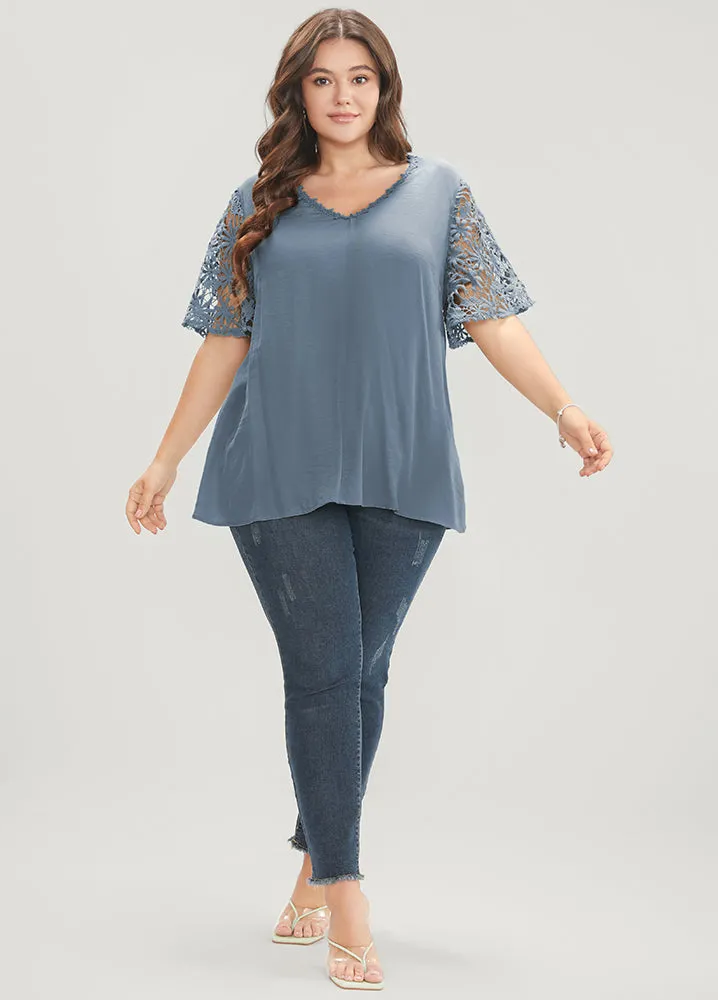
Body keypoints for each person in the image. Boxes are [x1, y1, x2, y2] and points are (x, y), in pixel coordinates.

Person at [125, 8, 614, 990]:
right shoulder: (258, 202)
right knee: (324, 672)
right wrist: (166, 459)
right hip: (277, 463)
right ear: (296, 93)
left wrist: (563, 407)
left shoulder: (441, 194)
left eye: (360, 77)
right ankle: (346, 892)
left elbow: (492, 318)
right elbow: (224, 338)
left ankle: (314, 856)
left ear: (385, 88)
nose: (342, 96)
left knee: (362, 675)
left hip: (405, 465)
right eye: (322, 79)